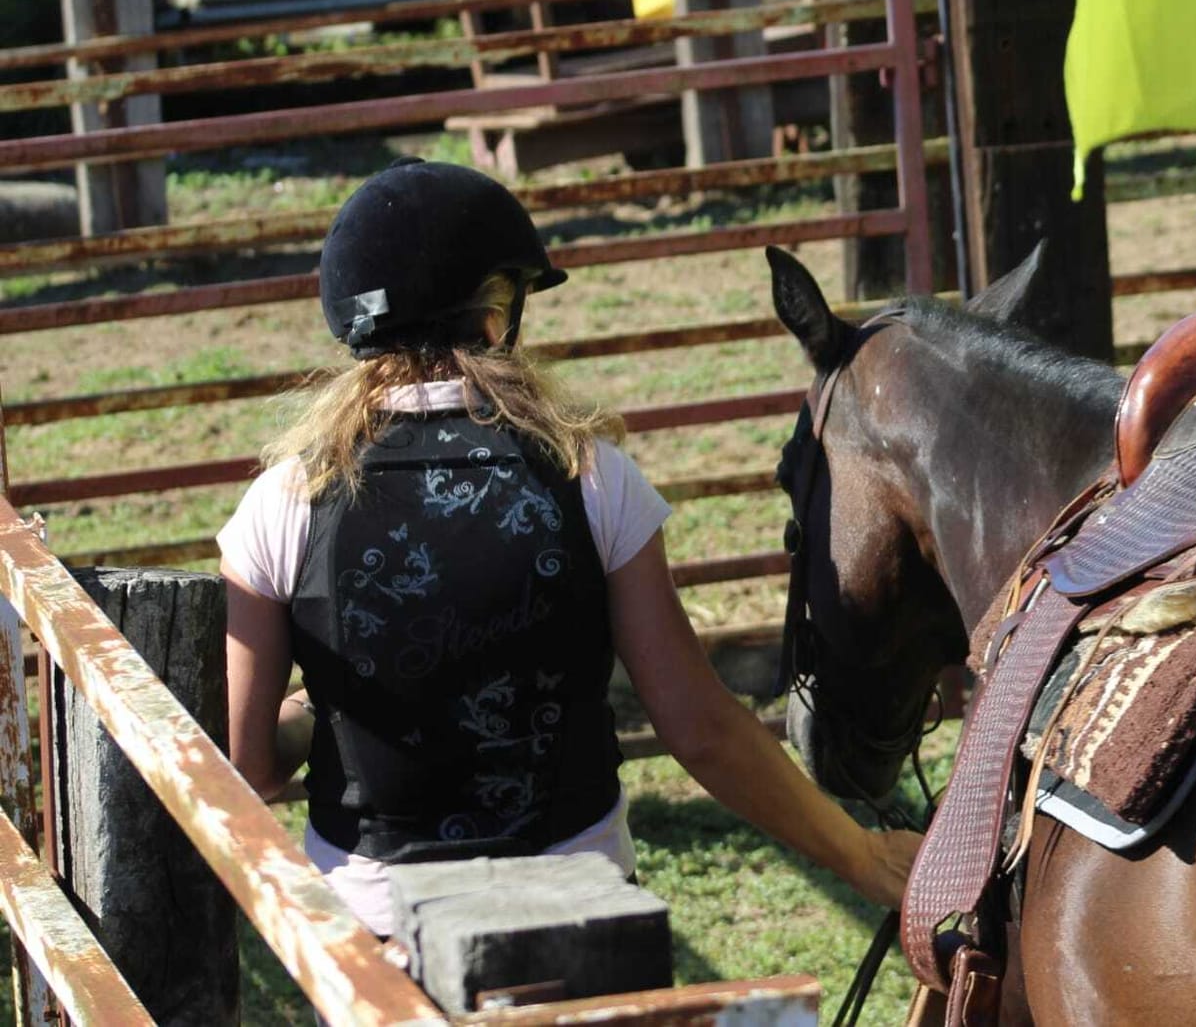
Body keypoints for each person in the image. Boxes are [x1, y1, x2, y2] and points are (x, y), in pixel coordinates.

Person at [220, 157, 920, 945]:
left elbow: (246, 760)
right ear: (495, 312)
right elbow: (701, 729)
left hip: (373, 939)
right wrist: (859, 853)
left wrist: (318, 715)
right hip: (580, 915)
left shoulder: (282, 502)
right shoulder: (593, 477)